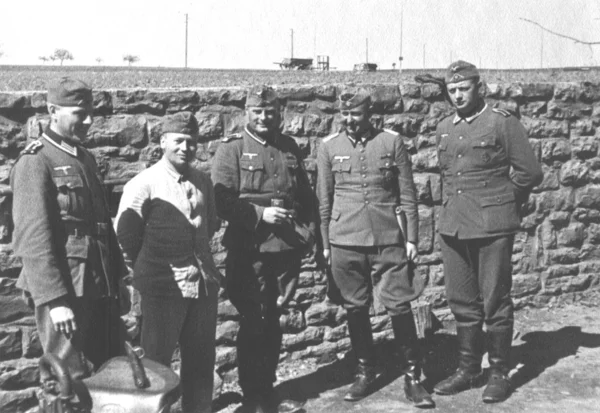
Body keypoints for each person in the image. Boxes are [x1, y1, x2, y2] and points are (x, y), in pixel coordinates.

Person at [433, 61, 544, 403]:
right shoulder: (444, 127)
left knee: (495, 301)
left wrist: (503, 204)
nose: (458, 95)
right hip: (454, 226)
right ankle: (468, 370)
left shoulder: (501, 122)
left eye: (464, 88)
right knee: (462, 301)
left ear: (478, 87)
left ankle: (498, 372)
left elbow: (529, 172)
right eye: (452, 90)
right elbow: (449, 178)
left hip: (493, 227)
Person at [316, 89, 434, 408]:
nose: (351, 120)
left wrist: (411, 239)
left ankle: (413, 377)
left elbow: (407, 194)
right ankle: (366, 371)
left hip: (387, 237)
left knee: (399, 304)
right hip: (345, 238)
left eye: (357, 114)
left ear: (370, 114)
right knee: (355, 307)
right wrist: (325, 245)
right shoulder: (328, 147)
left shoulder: (391, 142)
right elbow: (324, 200)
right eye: (347, 115)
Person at [10, 77, 127, 379]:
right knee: (67, 378)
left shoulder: (83, 157)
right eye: (78, 113)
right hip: (66, 288)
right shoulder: (36, 161)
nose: (88, 121)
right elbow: (33, 238)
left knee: (106, 374)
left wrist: (119, 280)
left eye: (90, 113)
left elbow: (101, 226)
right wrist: (54, 300)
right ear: (53, 111)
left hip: (99, 284)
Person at [211, 86, 315, 413]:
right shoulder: (232, 149)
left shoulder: (288, 147)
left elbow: (305, 198)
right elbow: (221, 200)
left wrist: (309, 234)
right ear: (246, 113)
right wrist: (259, 214)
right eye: (257, 111)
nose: (263, 117)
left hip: (284, 249)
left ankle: (267, 388)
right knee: (253, 320)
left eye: (269, 111)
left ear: (279, 113)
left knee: (273, 319)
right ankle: (251, 395)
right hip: (249, 250)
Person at [116, 112, 221, 413]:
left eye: (191, 142)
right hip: (162, 290)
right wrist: (148, 273)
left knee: (201, 361)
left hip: (202, 286)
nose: (185, 148)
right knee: (154, 365)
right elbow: (125, 238)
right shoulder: (143, 183)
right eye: (178, 141)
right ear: (163, 142)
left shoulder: (203, 181)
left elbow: (209, 225)